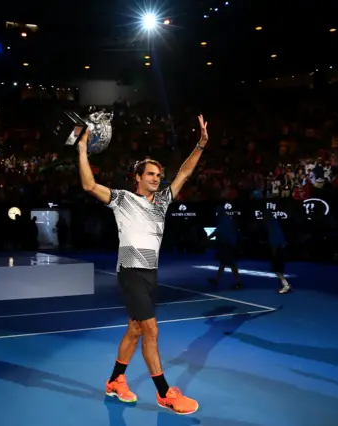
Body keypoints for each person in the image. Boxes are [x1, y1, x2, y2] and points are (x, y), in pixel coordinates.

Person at [78, 115, 209, 415]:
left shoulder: (161, 202)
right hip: (130, 271)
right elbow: (88, 184)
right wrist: (82, 148)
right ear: (137, 177)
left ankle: (114, 380)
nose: (156, 178)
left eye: (158, 175)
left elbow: (185, 174)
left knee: (135, 330)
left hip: (150, 273)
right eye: (150, 174)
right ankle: (165, 393)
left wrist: (200, 144)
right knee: (151, 330)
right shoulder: (122, 199)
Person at [207, 206, 242, 289]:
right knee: (223, 264)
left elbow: (217, 232)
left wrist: (208, 238)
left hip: (228, 245)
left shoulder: (223, 221)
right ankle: (216, 280)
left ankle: (238, 283)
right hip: (228, 245)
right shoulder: (226, 220)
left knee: (232, 264)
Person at [263, 209, 292, 294]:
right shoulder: (273, 223)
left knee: (276, 269)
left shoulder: (272, 224)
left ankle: (286, 285)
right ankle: (284, 285)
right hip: (281, 248)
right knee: (279, 268)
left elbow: (275, 240)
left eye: (264, 216)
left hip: (279, 249)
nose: (262, 218)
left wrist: (274, 252)